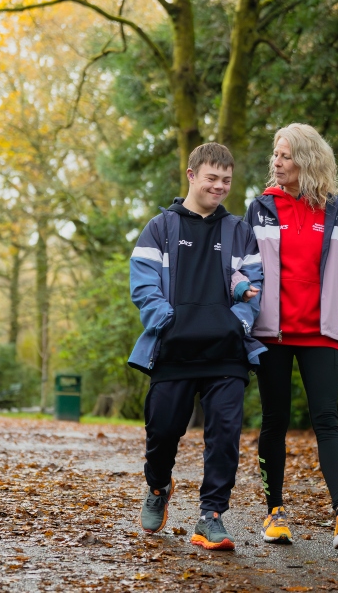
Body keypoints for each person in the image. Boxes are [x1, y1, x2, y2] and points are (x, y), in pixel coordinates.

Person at [128, 142, 264, 551]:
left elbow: (255, 288)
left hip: (225, 351)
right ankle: (157, 486)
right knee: (163, 429)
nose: (220, 186)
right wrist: (167, 321)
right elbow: (143, 283)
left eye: (226, 180)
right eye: (212, 178)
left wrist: (237, 321)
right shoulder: (160, 227)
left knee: (225, 433)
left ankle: (212, 516)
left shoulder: (239, 230)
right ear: (191, 175)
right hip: (174, 349)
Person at [244, 123, 338, 550]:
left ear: (308, 160)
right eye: (275, 156)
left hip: (321, 333)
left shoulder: (334, 210)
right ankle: (275, 513)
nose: (276, 162)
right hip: (272, 334)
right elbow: (242, 271)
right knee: (275, 421)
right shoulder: (261, 208)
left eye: (285, 155)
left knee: (326, 420)